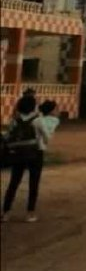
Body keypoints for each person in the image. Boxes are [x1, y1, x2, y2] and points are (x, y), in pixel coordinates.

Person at [1, 91, 56, 223]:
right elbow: (47, 137)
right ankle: (30, 213)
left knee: (14, 183)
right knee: (33, 183)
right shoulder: (37, 120)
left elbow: (8, 136)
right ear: (33, 106)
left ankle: (6, 212)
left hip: (18, 153)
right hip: (35, 153)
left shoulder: (15, 120)